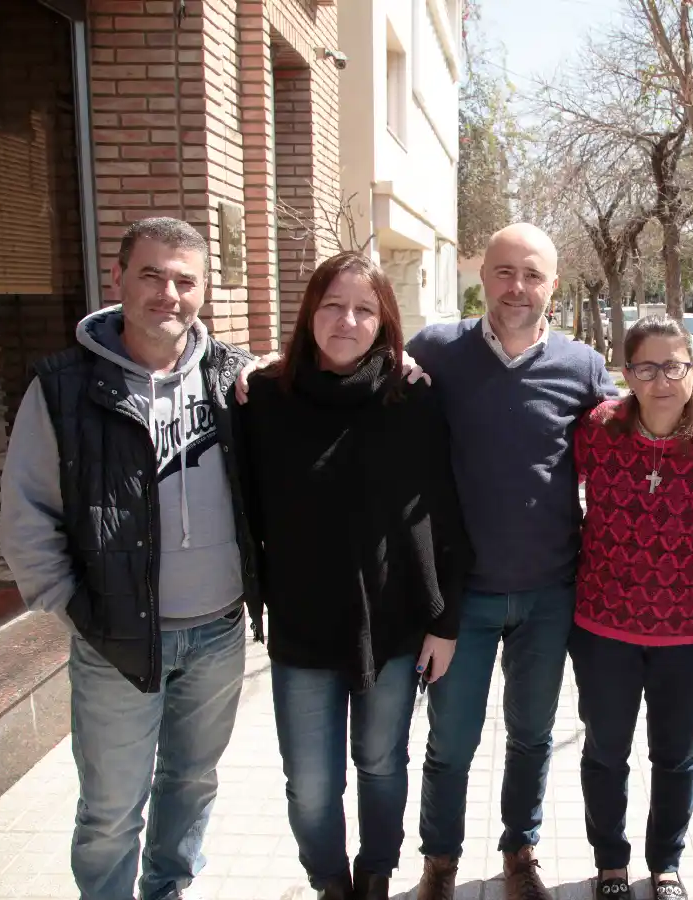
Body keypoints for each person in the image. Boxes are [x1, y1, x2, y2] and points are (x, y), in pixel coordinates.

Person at [235, 223, 693, 900]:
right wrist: (264, 364)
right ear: (483, 278)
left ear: (553, 286)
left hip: (552, 591)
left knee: (531, 737)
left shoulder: (584, 368)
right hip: (459, 597)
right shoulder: (437, 351)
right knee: (450, 742)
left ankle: (519, 849)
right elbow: (359, 364)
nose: (516, 288)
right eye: (503, 272)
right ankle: (439, 858)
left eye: (532, 275)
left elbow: (646, 418)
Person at [0, 217, 260, 900]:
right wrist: (74, 608)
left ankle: (168, 890)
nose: (168, 293)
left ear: (202, 291)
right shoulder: (60, 388)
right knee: (111, 810)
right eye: (152, 274)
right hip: (115, 639)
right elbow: (26, 515)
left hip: (219, 634)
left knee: (192, 783)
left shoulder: (232, 376)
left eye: (184, 280)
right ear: (119, 279)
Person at [236, 252, 472, 900]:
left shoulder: (413, 396)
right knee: (311, 783)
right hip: (302, 626)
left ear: (385, 321)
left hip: (392, 625)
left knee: (380, 763)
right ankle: (329, 883)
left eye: (364, 309)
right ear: (310, 311)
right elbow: (245, 504)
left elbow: (444, 516)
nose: (347, 320)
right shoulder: (262, 398)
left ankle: (374, 876)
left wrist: (444, 621)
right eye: (333, 305)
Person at [570, 315, 693, 900]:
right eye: (646, 367)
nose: (661, 380)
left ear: (692, 368)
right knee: (606, 752)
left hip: (690, 632)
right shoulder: (598, 431)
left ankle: (666, 865)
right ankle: (610, 865)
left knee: (676, 756)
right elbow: (547, 488)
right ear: (627, 373)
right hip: (603, 627)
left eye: (674, 366)